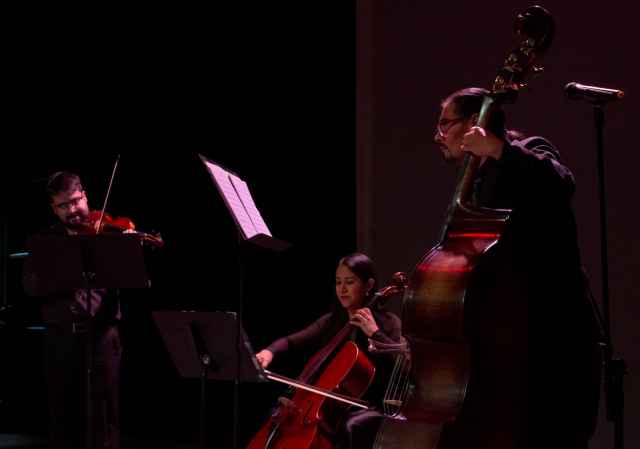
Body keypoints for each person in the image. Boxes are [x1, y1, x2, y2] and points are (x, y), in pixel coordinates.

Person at [429, 87, 603, 449]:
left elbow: (560, 182)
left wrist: (496, 148)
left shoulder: (528, 150)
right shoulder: (476, 183)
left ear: (475, 123)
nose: (437, 134)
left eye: (445, 124)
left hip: (553, 334)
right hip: (507, 342)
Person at [253, 252, 404, 449]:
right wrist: (268, 352)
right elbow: (292, 341)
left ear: (368, 286)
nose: (342, 289)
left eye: (349, 282)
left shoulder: (389, 323)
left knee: (349, 426)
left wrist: (374, 333)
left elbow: (399, 364)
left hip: (371, 405)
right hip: (331, 407)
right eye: (338, 282)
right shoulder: (333, 321)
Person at [22, 171, 123, 449]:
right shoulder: (44, 242)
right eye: (63, 206)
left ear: (85, 196)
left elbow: (131, 275)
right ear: (54, 208)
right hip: (61, 339)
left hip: (103, 337)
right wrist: (63, 277)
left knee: (105, 417)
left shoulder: (109, 233)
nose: (72, 210)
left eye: (76, 201)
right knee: (63, 417)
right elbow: (30, 286)